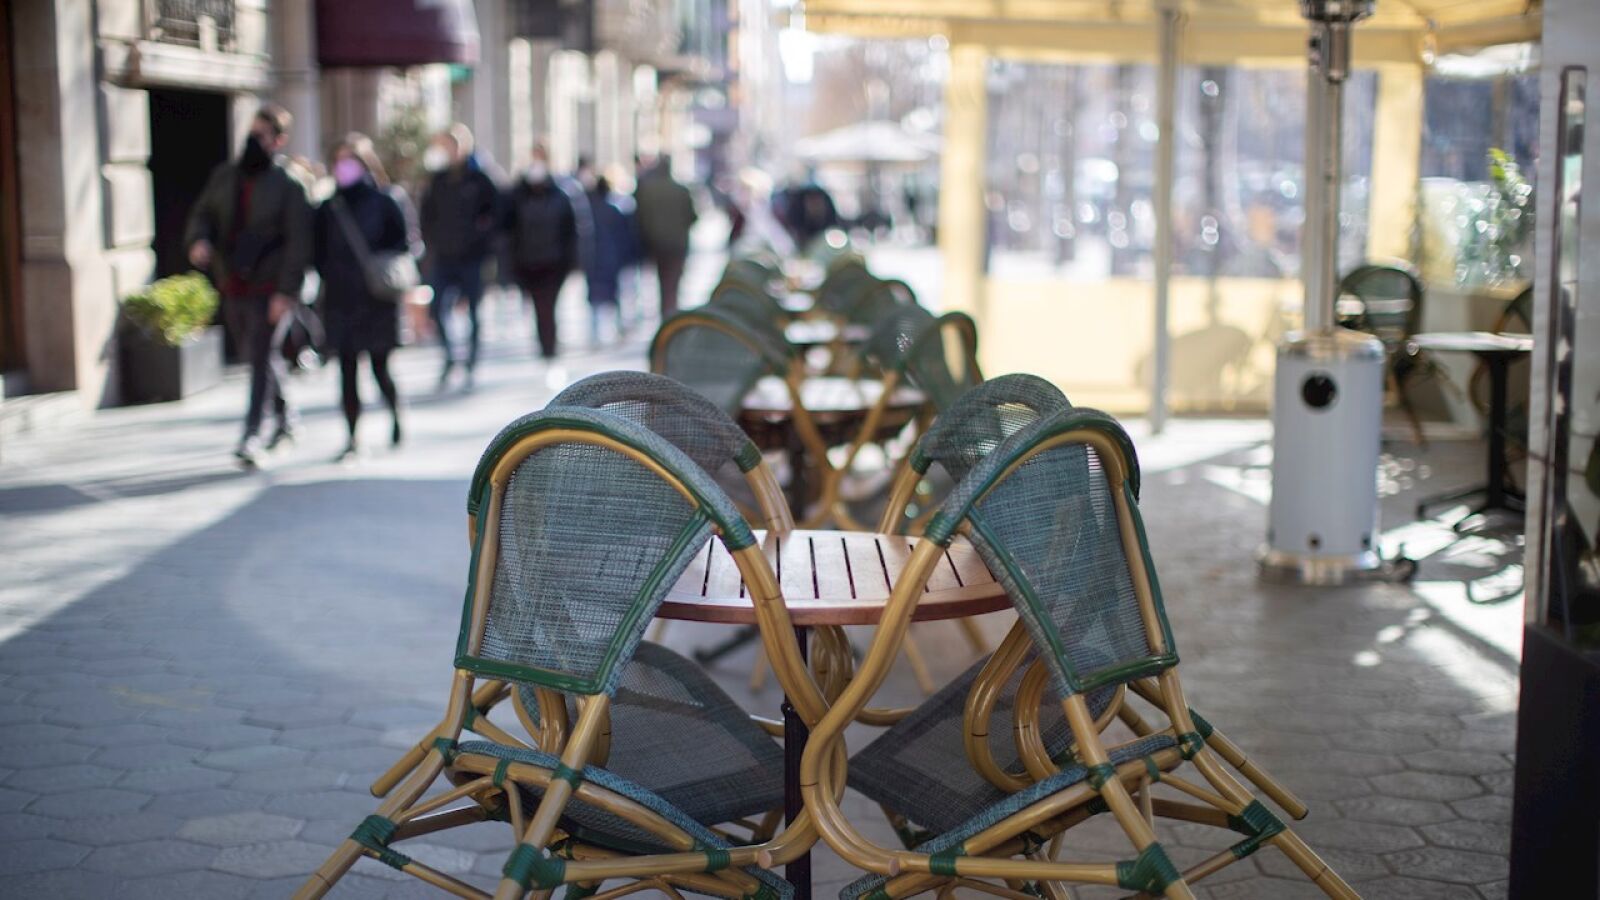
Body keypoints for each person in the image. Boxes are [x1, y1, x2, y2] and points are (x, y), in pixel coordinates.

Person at [185, 103, 313, 468]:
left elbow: (299, 243)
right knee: (258, 355)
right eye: (251, 133)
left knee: (260, 357)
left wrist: (286, 293)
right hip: (234, 283)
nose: (253, 141)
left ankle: (252, 434)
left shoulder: (289, 185)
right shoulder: (226, 176)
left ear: (278, 140)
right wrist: (199, 240)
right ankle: (287, 419)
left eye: (261, 135)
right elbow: (203, 214)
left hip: (269, 287)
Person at [313, 133, 417, 461]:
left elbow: (405, 243)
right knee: (346, 371)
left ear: (364, 163)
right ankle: (353, 436)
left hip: (377, 299)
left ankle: (396, 413)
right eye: (339, 160)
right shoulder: (329, 207)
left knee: (379, 367)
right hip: (340, 299)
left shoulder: (386, 200)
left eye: (350, 160)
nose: (344, 167)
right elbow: (317, 252)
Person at [418, 123, 499, 389]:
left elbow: (495, 214)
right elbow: (426, 215)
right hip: (444, 256)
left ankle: (471, 362)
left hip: (472, 257)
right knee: (437, 308)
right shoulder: (438, 180)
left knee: (474, 311)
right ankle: (450, 357)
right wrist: (432, 242)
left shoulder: (480, 179)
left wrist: (482, 242)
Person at [503, 145, 578, 359]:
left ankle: (549, 346)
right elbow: (508, 229)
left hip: (553, 263)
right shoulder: (517, 195)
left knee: (548, 306)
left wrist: (572, 261)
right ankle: (545, 344)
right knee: (539, 306)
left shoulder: (560, 194)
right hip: (527, 263)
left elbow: (570, 231)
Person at [632, 155, 697, 318]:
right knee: (672, 282)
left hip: (656, 243)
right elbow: (692, 216)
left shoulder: (647, 190)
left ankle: (667, 312)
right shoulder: (680, 190)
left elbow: (640, 217)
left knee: (663, 280)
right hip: (676, 244)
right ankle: (670, 311)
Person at [582, 173, 640, 345]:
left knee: (596, 297)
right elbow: (624, 236)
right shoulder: (612, 211)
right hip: (610, 258)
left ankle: (596, 333)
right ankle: (612, 330)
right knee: (613, 295)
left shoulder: (590, 211)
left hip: (597, 258)